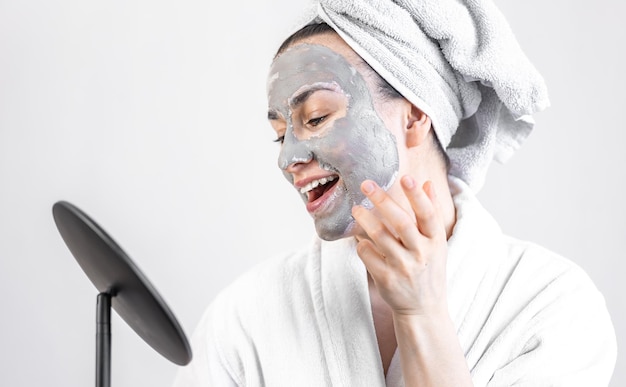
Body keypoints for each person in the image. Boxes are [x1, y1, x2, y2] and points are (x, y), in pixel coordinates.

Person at [173, 1, 617, 386]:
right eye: (279, 135)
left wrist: (422, 315)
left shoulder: (550, 305)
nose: (287, 158)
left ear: (415, 113)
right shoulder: (247, 314)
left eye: (316, 118)